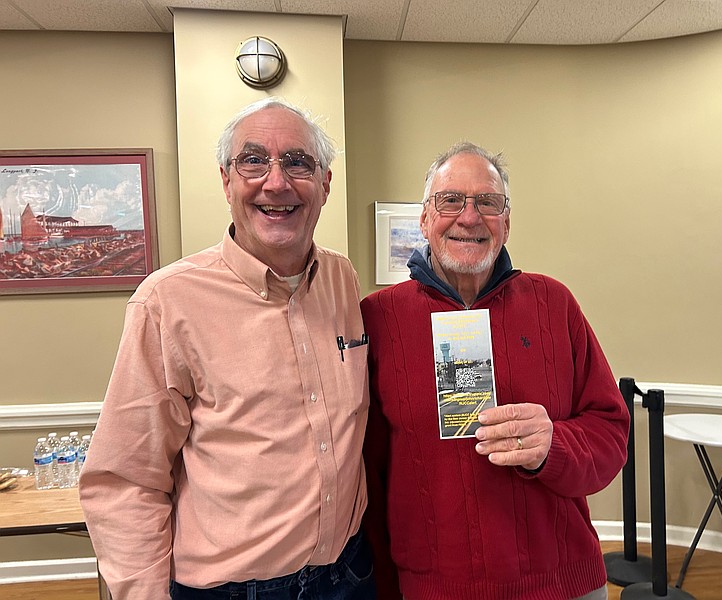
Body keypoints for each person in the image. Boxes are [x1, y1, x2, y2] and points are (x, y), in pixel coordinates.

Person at [79, 98, 375, 600]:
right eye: (254, 160)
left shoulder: (341, 279)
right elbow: (126, 480)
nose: (276, 182)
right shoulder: (167, 301)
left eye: (298, 162)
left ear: (325, 184)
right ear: (226, 181)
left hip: (347, 574)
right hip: (234, 591)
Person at [360, 141, 629, 600]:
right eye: (451, 200)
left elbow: (610, 433)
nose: (470, 217)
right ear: (424, 219)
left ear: (506, 222)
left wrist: (554, 444)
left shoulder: (554, 304)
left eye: (488, 202)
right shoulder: (378, 319)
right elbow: (369, 474)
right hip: (434, 589)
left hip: (561, 584)